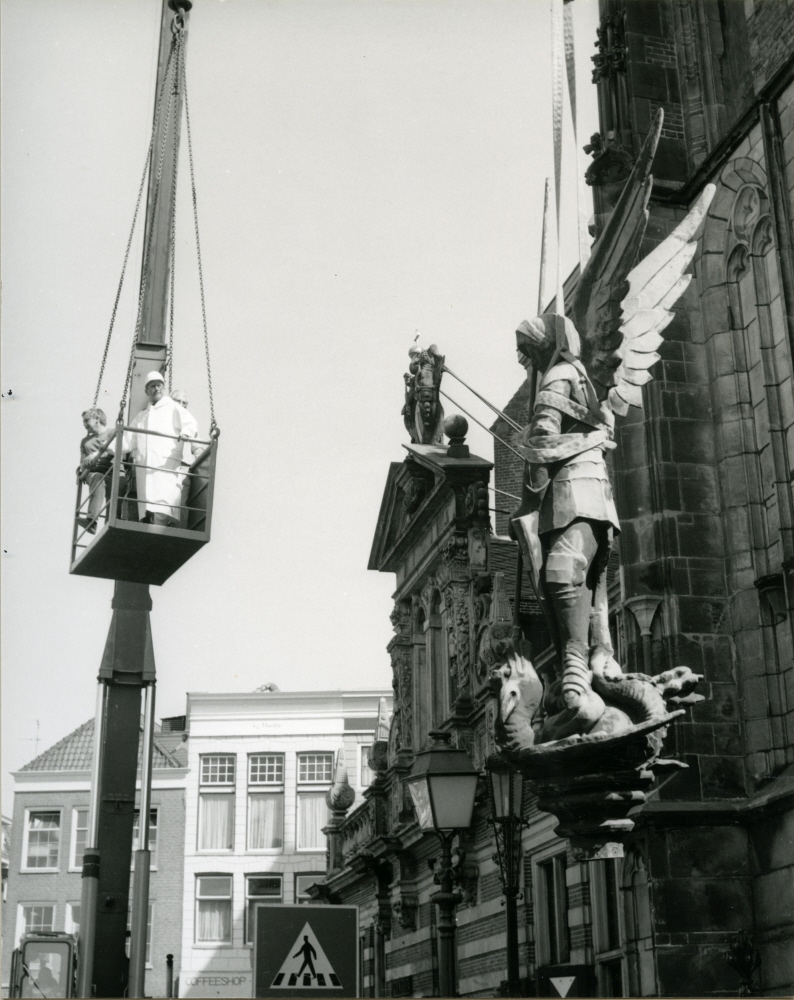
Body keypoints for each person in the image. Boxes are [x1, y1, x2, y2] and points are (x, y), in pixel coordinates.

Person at [510, 313, 621, 740]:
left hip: (581, 488)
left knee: (563, 574)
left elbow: (543, 435)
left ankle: (575, 664)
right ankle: (580, 660)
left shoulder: (559, 374)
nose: (527, 359)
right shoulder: (567, 375)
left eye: (530, 349)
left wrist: (530, 439)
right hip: (563, 493)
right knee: (571, 586)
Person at [93, 372, 198, 526]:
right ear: (146, 391)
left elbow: (190, 423)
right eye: (152, 386)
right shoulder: (141, 417)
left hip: (165, 468)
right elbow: (127, 441)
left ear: (163, 388)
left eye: (159, 385)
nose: (156, 389)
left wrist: (185, 433)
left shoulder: (173, 408)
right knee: (149, 508)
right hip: (146, 472)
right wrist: (105, 448)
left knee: (164, 506)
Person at [78, 407, 113, 533]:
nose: (84, 424)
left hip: (112, 471)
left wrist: (96, 456)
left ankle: (110, 526)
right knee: (97, 477)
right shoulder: (85, 441)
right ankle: (91, 521)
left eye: (87, 420)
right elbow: (82, 460)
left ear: (97, 419)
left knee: (117, 487)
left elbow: (115, 449)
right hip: (94, 473)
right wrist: (80, 472)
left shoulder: (112, 433)